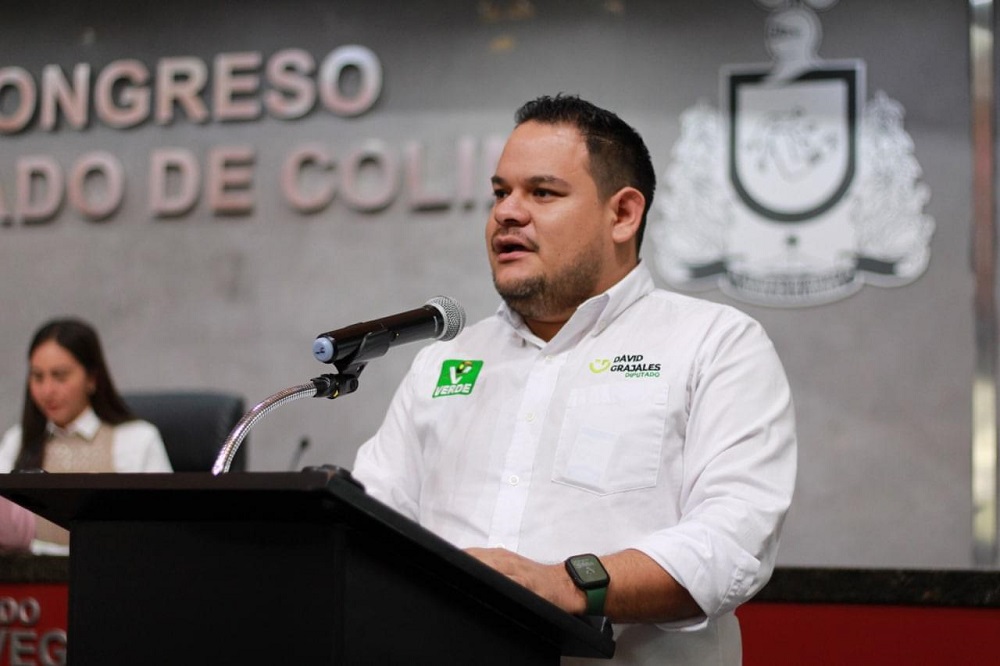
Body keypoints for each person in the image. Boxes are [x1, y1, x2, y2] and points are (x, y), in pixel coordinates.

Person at [352, 94, 797, 665]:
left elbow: (731, 541)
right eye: (500, 193)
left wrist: (565, 582)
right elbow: (372, 526)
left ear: (623, 214)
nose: (508, 213)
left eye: (542, 192)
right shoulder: (445, 362)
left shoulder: (714, 344)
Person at [0, 317, 172, 554]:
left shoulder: (136, 440)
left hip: (111, 571)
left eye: (60, 376)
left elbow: (161, 533)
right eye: (38, 377)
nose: (47, 390)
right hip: (27, 574)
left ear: (92, 378)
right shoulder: (17, 440)